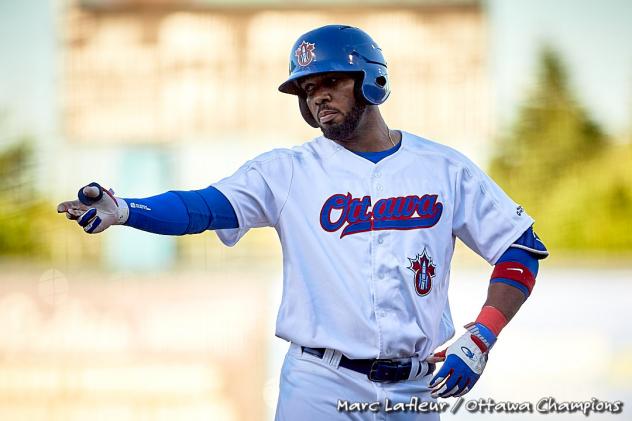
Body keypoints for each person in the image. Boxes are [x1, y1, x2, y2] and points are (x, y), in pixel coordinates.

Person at [57, 25, 548, 420]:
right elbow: (203, 207)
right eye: (308, 88)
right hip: (321, 384)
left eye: (330, 80)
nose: (318, 97)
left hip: (417, 386)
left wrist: (483, 335)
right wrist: (127, 211)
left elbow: (519, 246)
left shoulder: (443, 168)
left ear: (369, 79)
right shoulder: (287, 171)